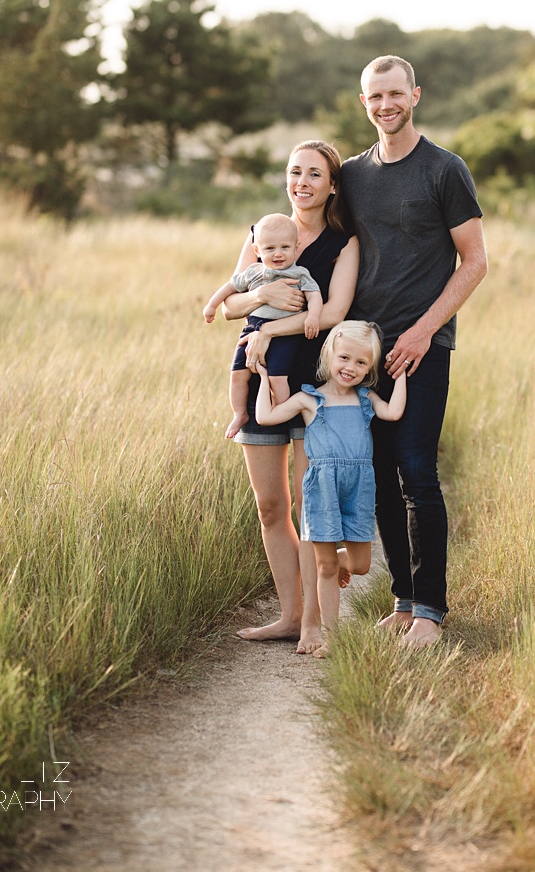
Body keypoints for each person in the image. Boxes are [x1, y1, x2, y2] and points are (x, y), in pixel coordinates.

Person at [342, 55, 488, 650]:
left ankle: (431, 608)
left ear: (416, 95)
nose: (386, 105)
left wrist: (426, 329)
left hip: (423, 345)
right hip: (361, 351)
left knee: (417, 471)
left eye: (395, 93)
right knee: (376, 473)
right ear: (364, 103)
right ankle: (403, 599)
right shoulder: (351, 174)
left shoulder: (444, 170)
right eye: (375, 97)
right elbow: (319, 237)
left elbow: (475, 262)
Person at [208, 140, 359, 652]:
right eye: (295, 172)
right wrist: (260, 297)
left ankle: (316, 624)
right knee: (272, 505)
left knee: (313, 504)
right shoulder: (264, 232)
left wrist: (272, 329)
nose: (303, 182)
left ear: (331, 185)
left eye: (315, 174)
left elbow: (335, 312)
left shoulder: (344, 241)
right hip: (259, 374)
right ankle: (289, 615)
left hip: (313, 379)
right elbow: (229, 305)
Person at [253, 321, 406, 657]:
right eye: (344, 358)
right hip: (321, 487)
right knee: (324, 567)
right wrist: (264, 379)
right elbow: (266, 417)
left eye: (361, 363)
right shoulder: (310, 399)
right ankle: (331, 638)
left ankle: (334, 559)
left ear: (370, 368)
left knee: (362, 565)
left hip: (359, 487)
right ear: (329, 355)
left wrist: (404, 373)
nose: (350, 368)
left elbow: (394, 412)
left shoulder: (366, 398)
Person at [203, 212, 324, 440]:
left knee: (278, 378)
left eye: (285, 247)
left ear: (296, 249)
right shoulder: (253, 272)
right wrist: (211, 305)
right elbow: (229, 288)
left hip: (285, 332)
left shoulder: (300, 273)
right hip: (252, 329)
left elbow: (315, 296)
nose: (278, 254)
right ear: (257, 251)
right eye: (269, 249)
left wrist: (313, 316)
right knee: (238, 374)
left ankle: (281, 410)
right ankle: (239, 413)